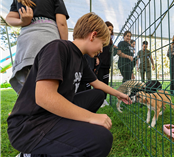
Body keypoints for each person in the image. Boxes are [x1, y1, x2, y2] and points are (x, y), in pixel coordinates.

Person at [7, 13, 132, 157]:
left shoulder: (80, 59)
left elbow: (96, 83)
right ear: (93, 35)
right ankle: (31, 154)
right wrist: (91, 117)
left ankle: (66, 131)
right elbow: (44, 97)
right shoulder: (59, 48)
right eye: (102, 44)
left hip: (52, 115)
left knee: (98, 95)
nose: (102, 50)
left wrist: (119, 94)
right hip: (30, 127)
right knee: (102, 139)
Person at [6, 0, 69, 94]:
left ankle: (26, 106)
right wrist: (65, 46)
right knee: (47, 81)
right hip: (47, 39)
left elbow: (9, 18)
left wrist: (22, 22)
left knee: (27, 83)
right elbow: (61, 23)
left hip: (26, 43)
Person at [96, 21, 115, 107]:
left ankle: (104, 99)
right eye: (108, 29)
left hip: (107, 65)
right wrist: (96, 58)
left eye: (111, 30)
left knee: (105, 82)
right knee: (99, 82)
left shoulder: (110, 42)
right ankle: (98, 100)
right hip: (100, 65)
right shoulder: (100, 38)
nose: (109, 31)